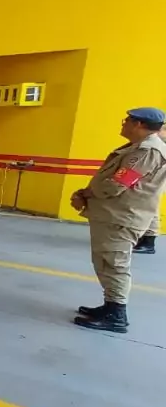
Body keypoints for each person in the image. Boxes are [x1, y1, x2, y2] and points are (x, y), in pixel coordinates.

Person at [71, 107, 166, 333]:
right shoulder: (139, 147)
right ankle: (110, 305)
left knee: (115, 264)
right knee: (106, 262)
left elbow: (117, 184)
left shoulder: (147, 151)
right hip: (115, 215)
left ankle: (116, 314)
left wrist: (86, 194)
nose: (124, 123)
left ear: (139, 124)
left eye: (128, 120)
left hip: (122, 217)